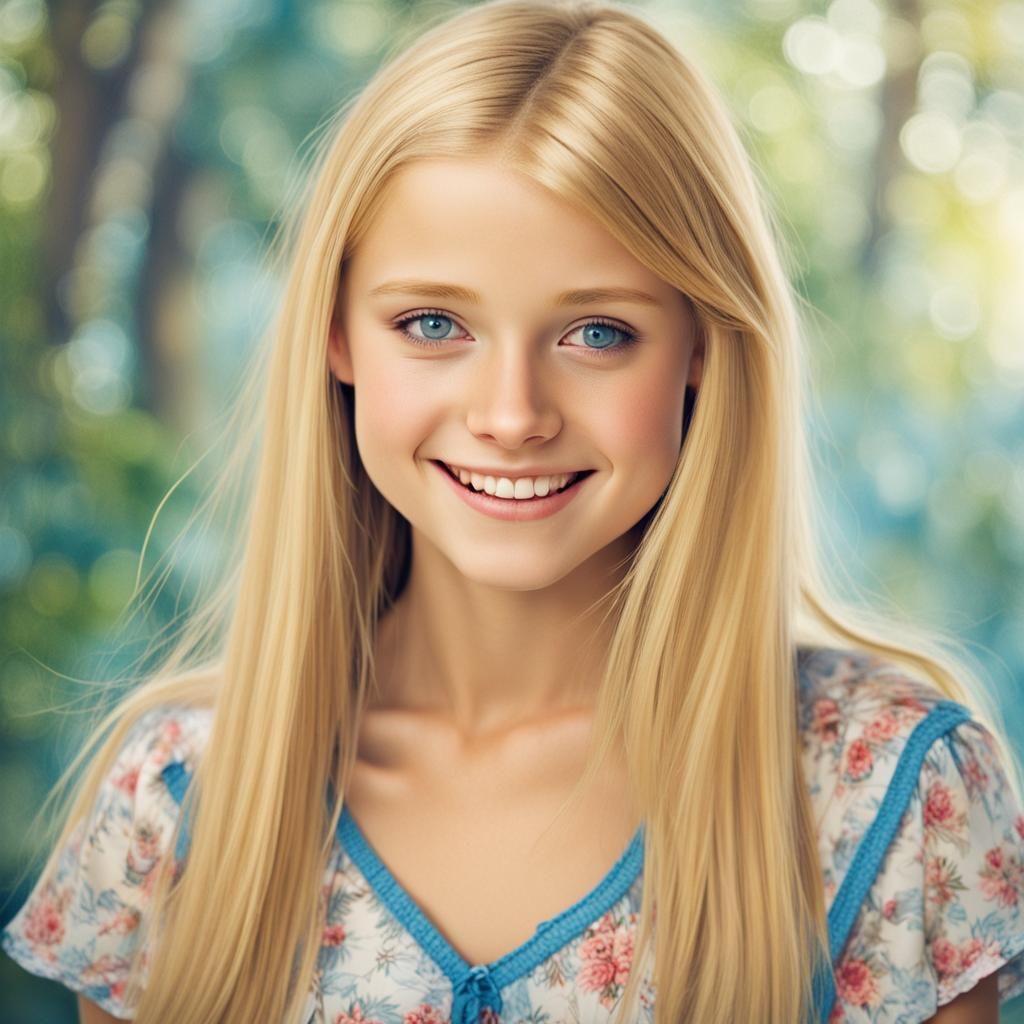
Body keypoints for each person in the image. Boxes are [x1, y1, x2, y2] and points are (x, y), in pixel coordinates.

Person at [2, 1, 1023, 1021]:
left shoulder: (889, 794)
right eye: (433, 323)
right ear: (337, 338)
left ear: (702, 348)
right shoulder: (179, 801)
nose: (511, 415)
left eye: (596, 332)